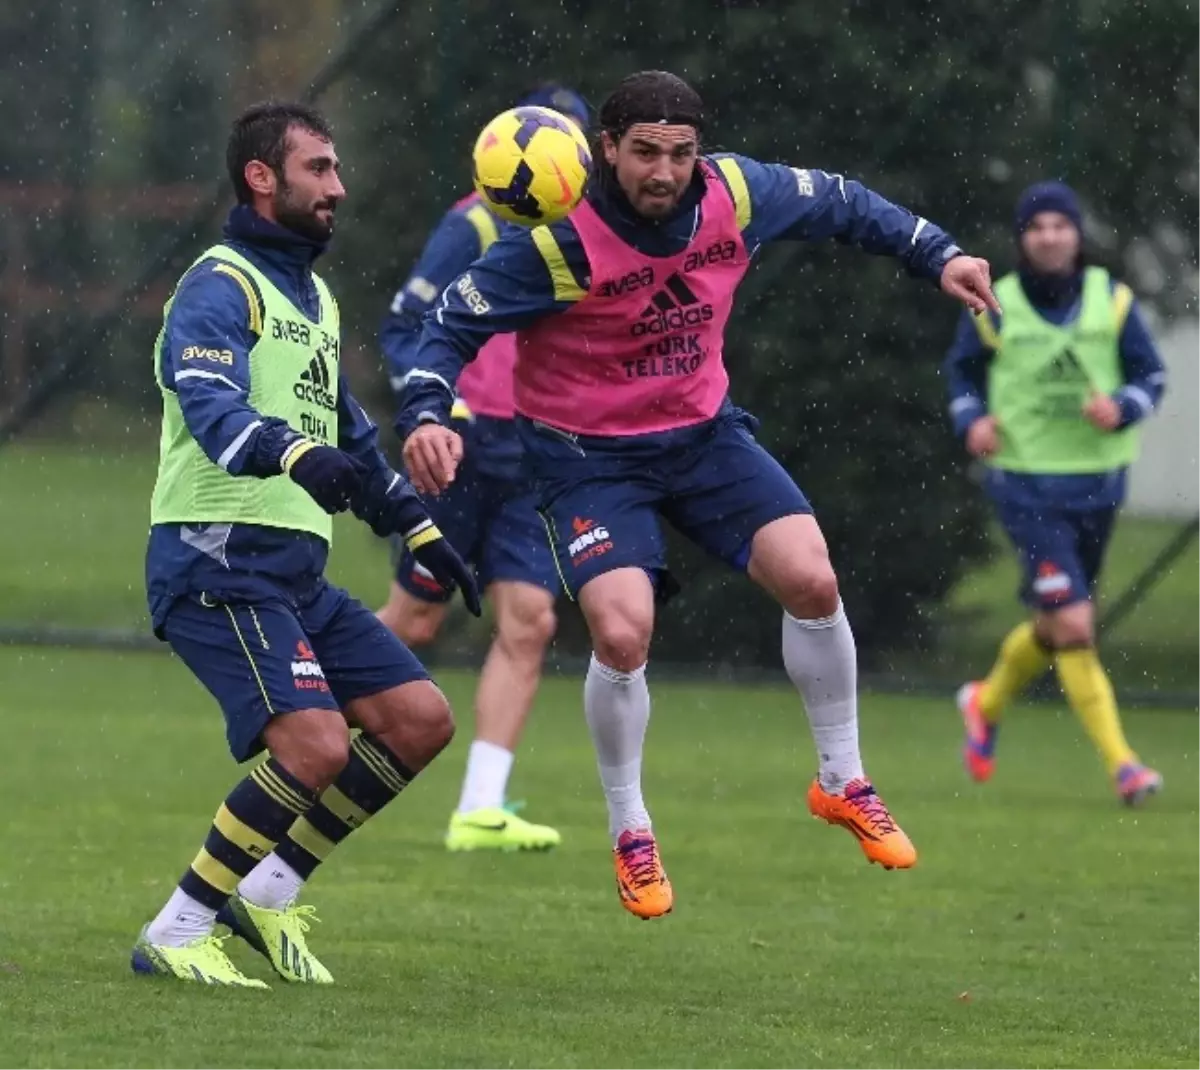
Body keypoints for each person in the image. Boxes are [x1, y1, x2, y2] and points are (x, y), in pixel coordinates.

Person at [396, 70, 999, 920]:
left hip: (703, 437)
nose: (664, 172)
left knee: (813, 579)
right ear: (606, 149)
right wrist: (427, 413)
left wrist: (941, 254)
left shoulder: (736, 192)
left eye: (680, 153)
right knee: (622, 629)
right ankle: (631, 829)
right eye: (644, 152)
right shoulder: (556, 243)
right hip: (588, 461)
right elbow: (446, 328)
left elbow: (845, 203)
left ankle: (843, 780)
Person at [132, 101, 480, 987]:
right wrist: (293, 451)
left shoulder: (312, 295)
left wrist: (421, 529)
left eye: (335, 168)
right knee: (317, 747)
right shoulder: (219, 284)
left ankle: (271, 890)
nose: (339, 187)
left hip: (293, 573)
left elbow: (350, 436)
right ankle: (175, 930)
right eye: (319, 169)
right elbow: (215, 412)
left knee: (419, 721)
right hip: (217, 560)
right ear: (262, 176)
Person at [378, 84, 590, 854]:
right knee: (416, 620)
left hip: (534, 451)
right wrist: (442, 411)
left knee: (530, 624)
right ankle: (311, 734)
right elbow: (403, 326)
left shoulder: (588, 236)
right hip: (462, 453)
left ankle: (479, 807)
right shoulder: (471, 224)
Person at [945, 181, 1165, 805]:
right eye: (1035, 226)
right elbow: (962, 372)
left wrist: (1123, 405)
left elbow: (1152, 376)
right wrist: (972, 419)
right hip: (1026, 481)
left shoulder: (1112, 300)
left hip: (1098, 482)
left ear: (1076, 234)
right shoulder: (998, 302)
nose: (1048, 235)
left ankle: (983, 705)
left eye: (1059, 225)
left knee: (1054, 623)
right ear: (1022, 238)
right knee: (1073, 622)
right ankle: (1124, 765)